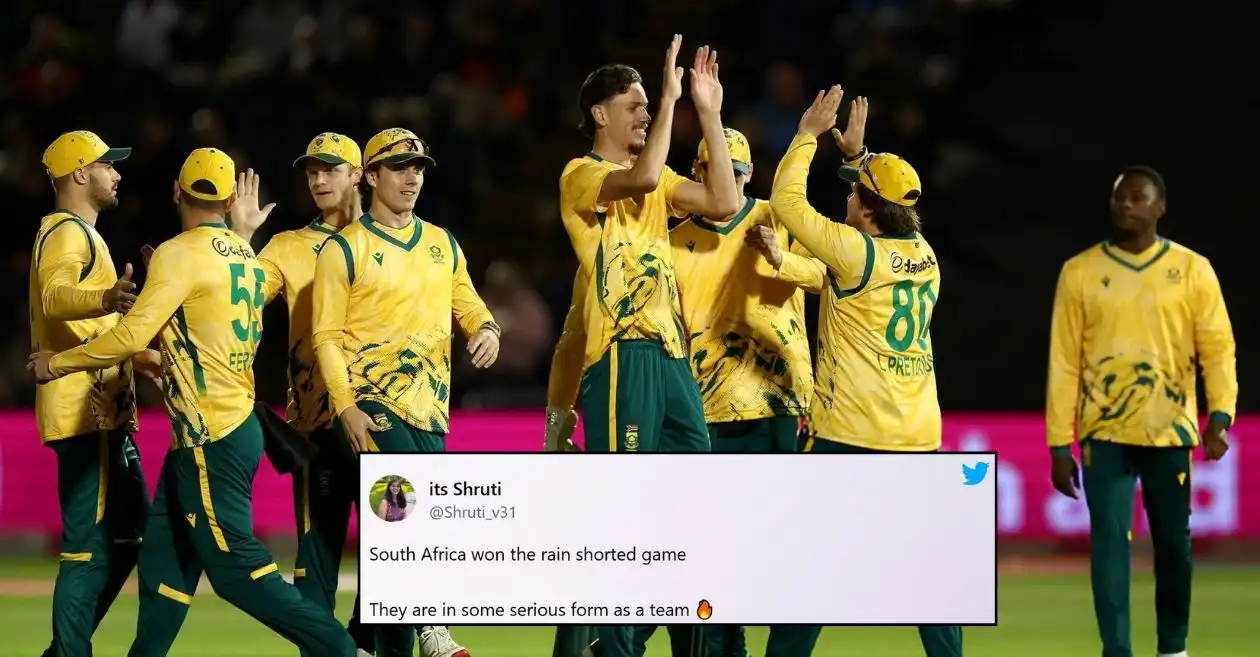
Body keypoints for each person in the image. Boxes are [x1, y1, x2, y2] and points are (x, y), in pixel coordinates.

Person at [28, 148, 358, 657]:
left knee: (236, 572)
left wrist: (58, 363)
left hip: (211, 435)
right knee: (164, 567)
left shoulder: (178, 254)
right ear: (228, 202)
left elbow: (131, 334)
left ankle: (342, 649)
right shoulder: (245, 256)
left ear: (176, 191)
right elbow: (201, 321)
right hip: (226, 427)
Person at [756, 87, 960, 657]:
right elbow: (834, 282)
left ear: (867, 209)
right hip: (917, 438)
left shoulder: (855, 251)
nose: (848, 198)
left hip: (851, 436)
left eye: (854, 193)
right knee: (932, 582)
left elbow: (787, 203)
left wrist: (807, 135)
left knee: (809, 576)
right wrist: (858, 159)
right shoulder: (924, 255)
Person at [557, 35, 741, 657]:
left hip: (670, 354)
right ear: (599, 115)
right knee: (625, 511)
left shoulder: (657, 186)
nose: (643, 114)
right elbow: (642, 175)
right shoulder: (581, 175)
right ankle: (611, 647)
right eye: (631, 105)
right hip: (622, 352)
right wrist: (668, 98)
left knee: (688, 506)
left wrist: (707, 112)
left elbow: (725, 202)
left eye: (646, 105)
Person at [311, 127, 498, 657]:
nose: (412, 177)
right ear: (371, 177)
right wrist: (346, 405)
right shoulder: (344, 249)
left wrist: (487, 329)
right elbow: (326, 336)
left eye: (418, 168)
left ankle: (371, 644)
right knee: (401, 517)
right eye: (399, 167)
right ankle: (432, 624)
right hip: (373, 406)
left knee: (401, 534)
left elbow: (468, 302)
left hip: (430, 413)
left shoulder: (442, 244)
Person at [1045, 166, 1236, 657]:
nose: (1126, 205)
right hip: (1103, 432)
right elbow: (1064, 362)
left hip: (1169, 431)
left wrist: (1220, 415)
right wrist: (1058, 443)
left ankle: (1173, 647)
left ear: (1160, 207)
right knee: (1110, 542)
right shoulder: (1080, 271)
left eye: (1137, 198)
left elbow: (1217, 348)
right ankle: (1117, 651)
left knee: (1173, 544)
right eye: (1119, 198)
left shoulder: (1192, 270)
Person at [227, 133, 376, 657]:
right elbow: (237, 301)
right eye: (312, 171)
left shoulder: (390, 241)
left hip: (383, 422)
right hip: (317, 425)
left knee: (394, 554)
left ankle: (369, 643)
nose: (317, 180)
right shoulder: (288, 247)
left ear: (358, 175)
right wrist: (239, 240)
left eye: (330, 169)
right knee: (314, 563)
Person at [30, 130, 162, 657]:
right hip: (86, 410)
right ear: (81, 172)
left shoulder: (80, 233)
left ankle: (65, 649)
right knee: (86, 548)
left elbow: (88, 325)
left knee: (130, 539)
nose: (117, 174)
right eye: (108, 165)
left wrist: (140, 357)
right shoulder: (67, 231)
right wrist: (107, 297)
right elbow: (55, 296)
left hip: (103, 410)